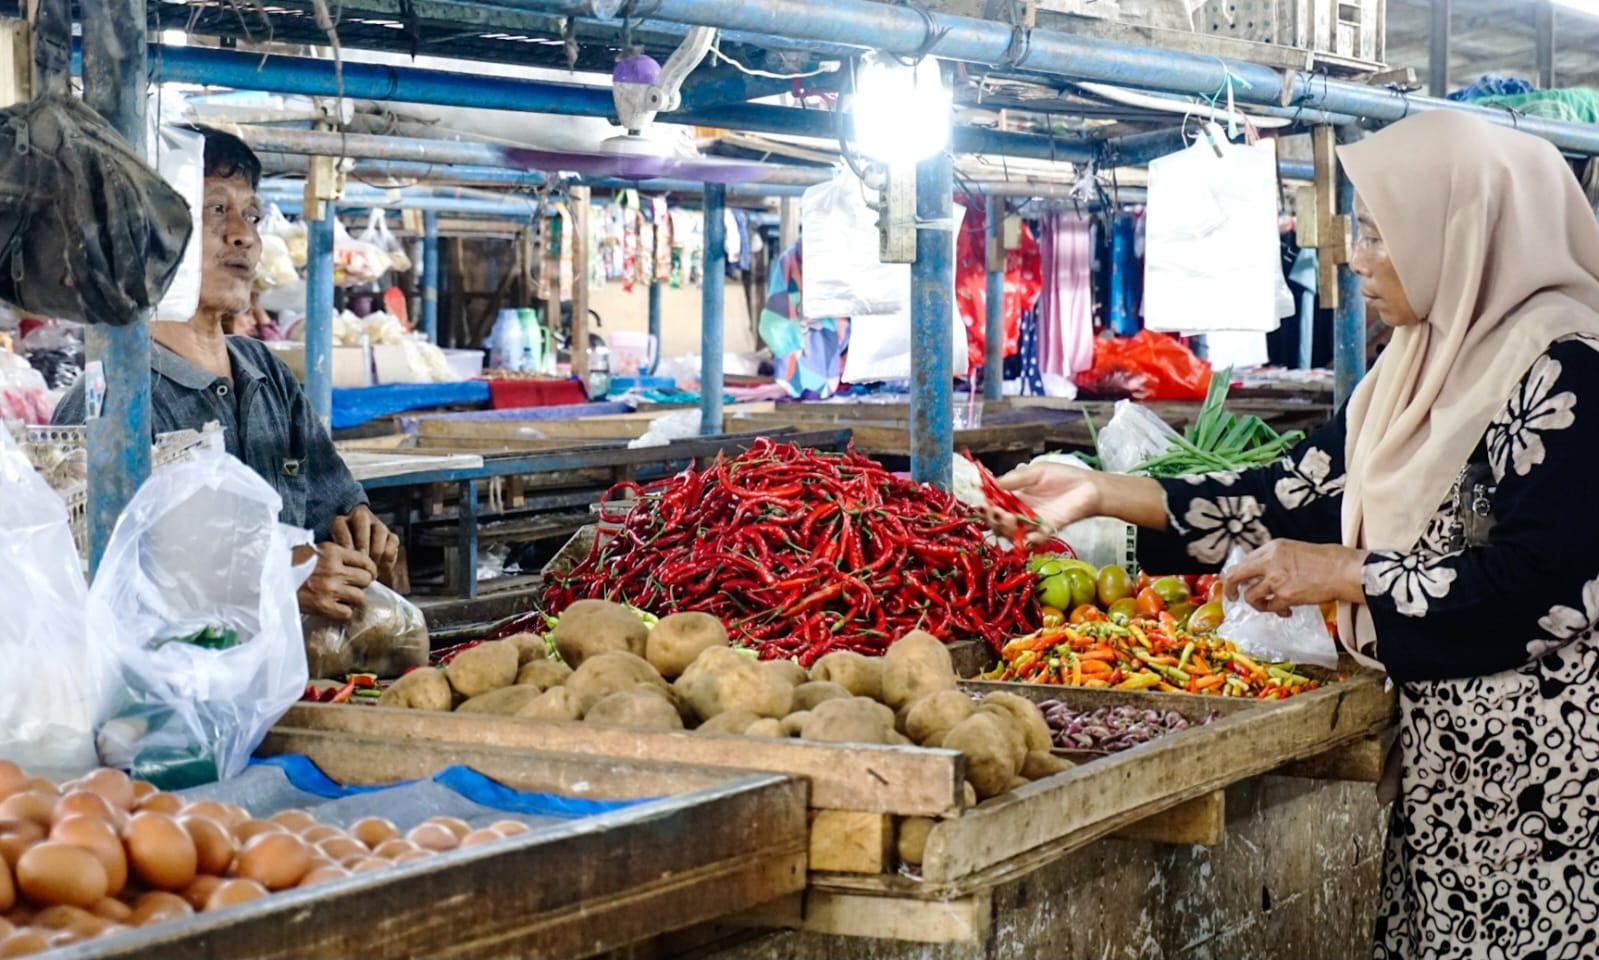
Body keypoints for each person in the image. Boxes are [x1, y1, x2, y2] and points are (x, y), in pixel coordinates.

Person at [986, 110, 1599, 959]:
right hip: (1442, 765)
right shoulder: (1414, 363)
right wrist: (1100, 491)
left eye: (1382, 233)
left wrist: (1351, 574)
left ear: (1464, 232)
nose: (1355, 258)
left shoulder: (1572, 365)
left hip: (1548, 784)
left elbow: (1543, 591)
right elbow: (1293, 495)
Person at [54, 130, 397, 623]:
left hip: (295, 680)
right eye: (216, 210)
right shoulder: (111, 398)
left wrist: (359, 529)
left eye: (252, 215)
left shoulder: (266, 374)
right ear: (154, 232)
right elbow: (100, 582)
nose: (245, 235)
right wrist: (275, 576)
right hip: (176, 690)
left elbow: (333, 510)